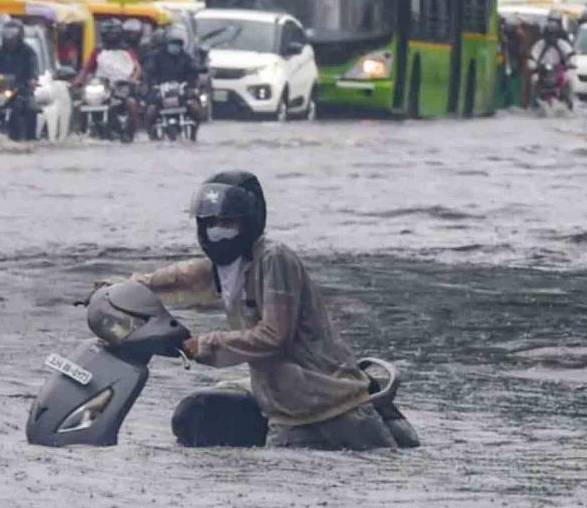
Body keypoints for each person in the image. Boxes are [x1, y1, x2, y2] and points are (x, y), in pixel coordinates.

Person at [109, 171, 409, 451]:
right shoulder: (228, 268)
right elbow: (179, 278)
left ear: (249, 222)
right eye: (210, 224)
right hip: (287, 412)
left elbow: (273, 336)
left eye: (227, 224)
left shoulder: (274, 259)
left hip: (335, 408)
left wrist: (203, 345)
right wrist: (120, 288)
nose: (217, 232)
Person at [0, 19, 40, 140]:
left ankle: (30, 138)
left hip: (21, 89)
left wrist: (33, 79)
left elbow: (33, 68)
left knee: (31, 109)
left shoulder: (28, 52)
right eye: (7, 32)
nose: (9, 36)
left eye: (13, 33)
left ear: (20, 34)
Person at [528, 12, 575, 106]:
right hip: (543, 69)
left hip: (559, 69)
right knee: (534, 81)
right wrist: (532, 65)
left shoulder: (562, 42)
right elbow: (534, 54)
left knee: (568, 80)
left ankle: (567, 100)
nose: (551, 38)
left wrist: (570, 63)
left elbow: (570, 53)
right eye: (550, 35)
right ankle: (533, 103)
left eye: (553, 35)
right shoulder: (541, 43)